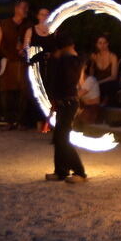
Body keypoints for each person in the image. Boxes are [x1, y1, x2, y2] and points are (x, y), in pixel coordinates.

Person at [45, 32, 87, 183]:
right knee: (59, 137)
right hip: (65, 102)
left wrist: (56, 60)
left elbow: (63, 82)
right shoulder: (71, 60)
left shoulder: (68, 62)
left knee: (62, 138)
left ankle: (80, 172)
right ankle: (61, 171)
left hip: (69, 103)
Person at [0, 0, 31, 129]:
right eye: (23, 7)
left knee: (23, 92)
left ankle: (21, 121)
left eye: (27, 8)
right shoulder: (3, 24)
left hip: (22, 63)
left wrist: (24, 52)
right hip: (7, 62)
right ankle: (9, 120)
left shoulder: (29, 25)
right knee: (6, 91)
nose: (25, 10)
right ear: (16, 8)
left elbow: (29, 44)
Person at [23, 7, 55, 130]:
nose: (45, 17)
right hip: (36, 66)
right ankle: (37, 121)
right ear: (38, 16)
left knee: (49, 93)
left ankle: (48, 122)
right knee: (36, 94)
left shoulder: (53, 31)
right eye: (42, 14)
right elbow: (27, 48)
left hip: (50, 68)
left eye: (47, 14)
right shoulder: (31, 30)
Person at [87, 33, 119, 106]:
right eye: (100, 43)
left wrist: (99, 82)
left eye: (104, 43)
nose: (102, 45)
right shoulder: (94, 56)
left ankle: (105, 103)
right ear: (96, 45)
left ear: (108, 44)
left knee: (110, 85)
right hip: (97, 83)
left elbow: (113, 76)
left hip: (108, 82)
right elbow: (91, 74)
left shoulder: (113, 56)